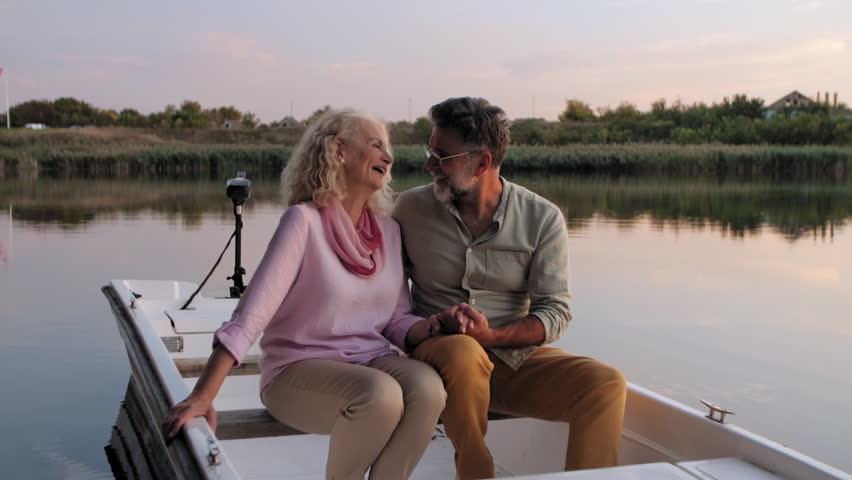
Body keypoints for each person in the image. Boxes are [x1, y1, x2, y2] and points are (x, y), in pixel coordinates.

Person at [162, 109, 449, 480]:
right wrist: (203, 394)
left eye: (388, 148)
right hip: (296, 372)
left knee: (428, 389)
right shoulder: (303, 221)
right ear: (340, 151)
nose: (388, 156)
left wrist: (433, 327)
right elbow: (251, 315)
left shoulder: (388, 231)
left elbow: (395, 319)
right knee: (380, 395)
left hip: (369, 360)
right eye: (376, 145)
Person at [392, 97, 628, 480]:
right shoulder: (408, 209)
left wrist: (493, 335)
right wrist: (433, 326)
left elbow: (555, 311)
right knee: (464, 350)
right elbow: (383, 296)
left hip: (510, 360)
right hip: (435, 359)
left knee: (605, 384)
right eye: (429, 152)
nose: (428, 164)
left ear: (481, 162)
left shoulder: (542, 217)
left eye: (441, 155)